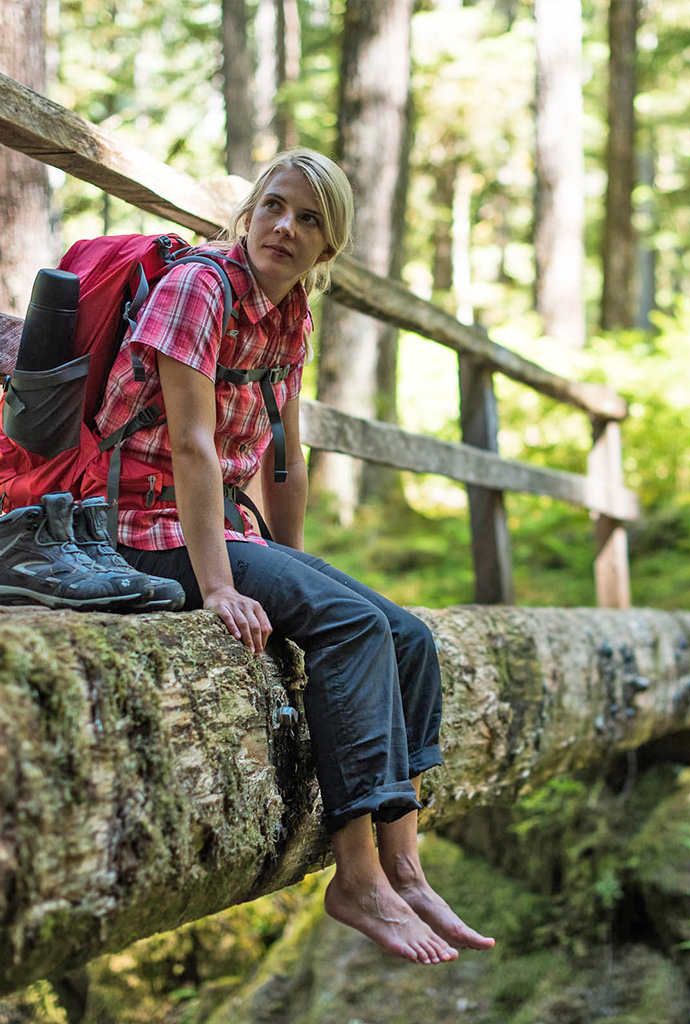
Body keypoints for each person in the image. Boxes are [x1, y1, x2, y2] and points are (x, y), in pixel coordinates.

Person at [89, 148, 495, 965]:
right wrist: (218, 587)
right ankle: (354, 878)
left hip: (224, 528)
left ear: (328, 246)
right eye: (274, 206)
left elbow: (285, 459)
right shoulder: (199, 287)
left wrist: (295, 572)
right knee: (349, 626)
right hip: (143, 530)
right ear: (250, 213)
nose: (286, 227)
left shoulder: (291, 310)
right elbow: (192, 445)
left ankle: (404, 866)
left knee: (405, 635)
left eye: (309, 218)